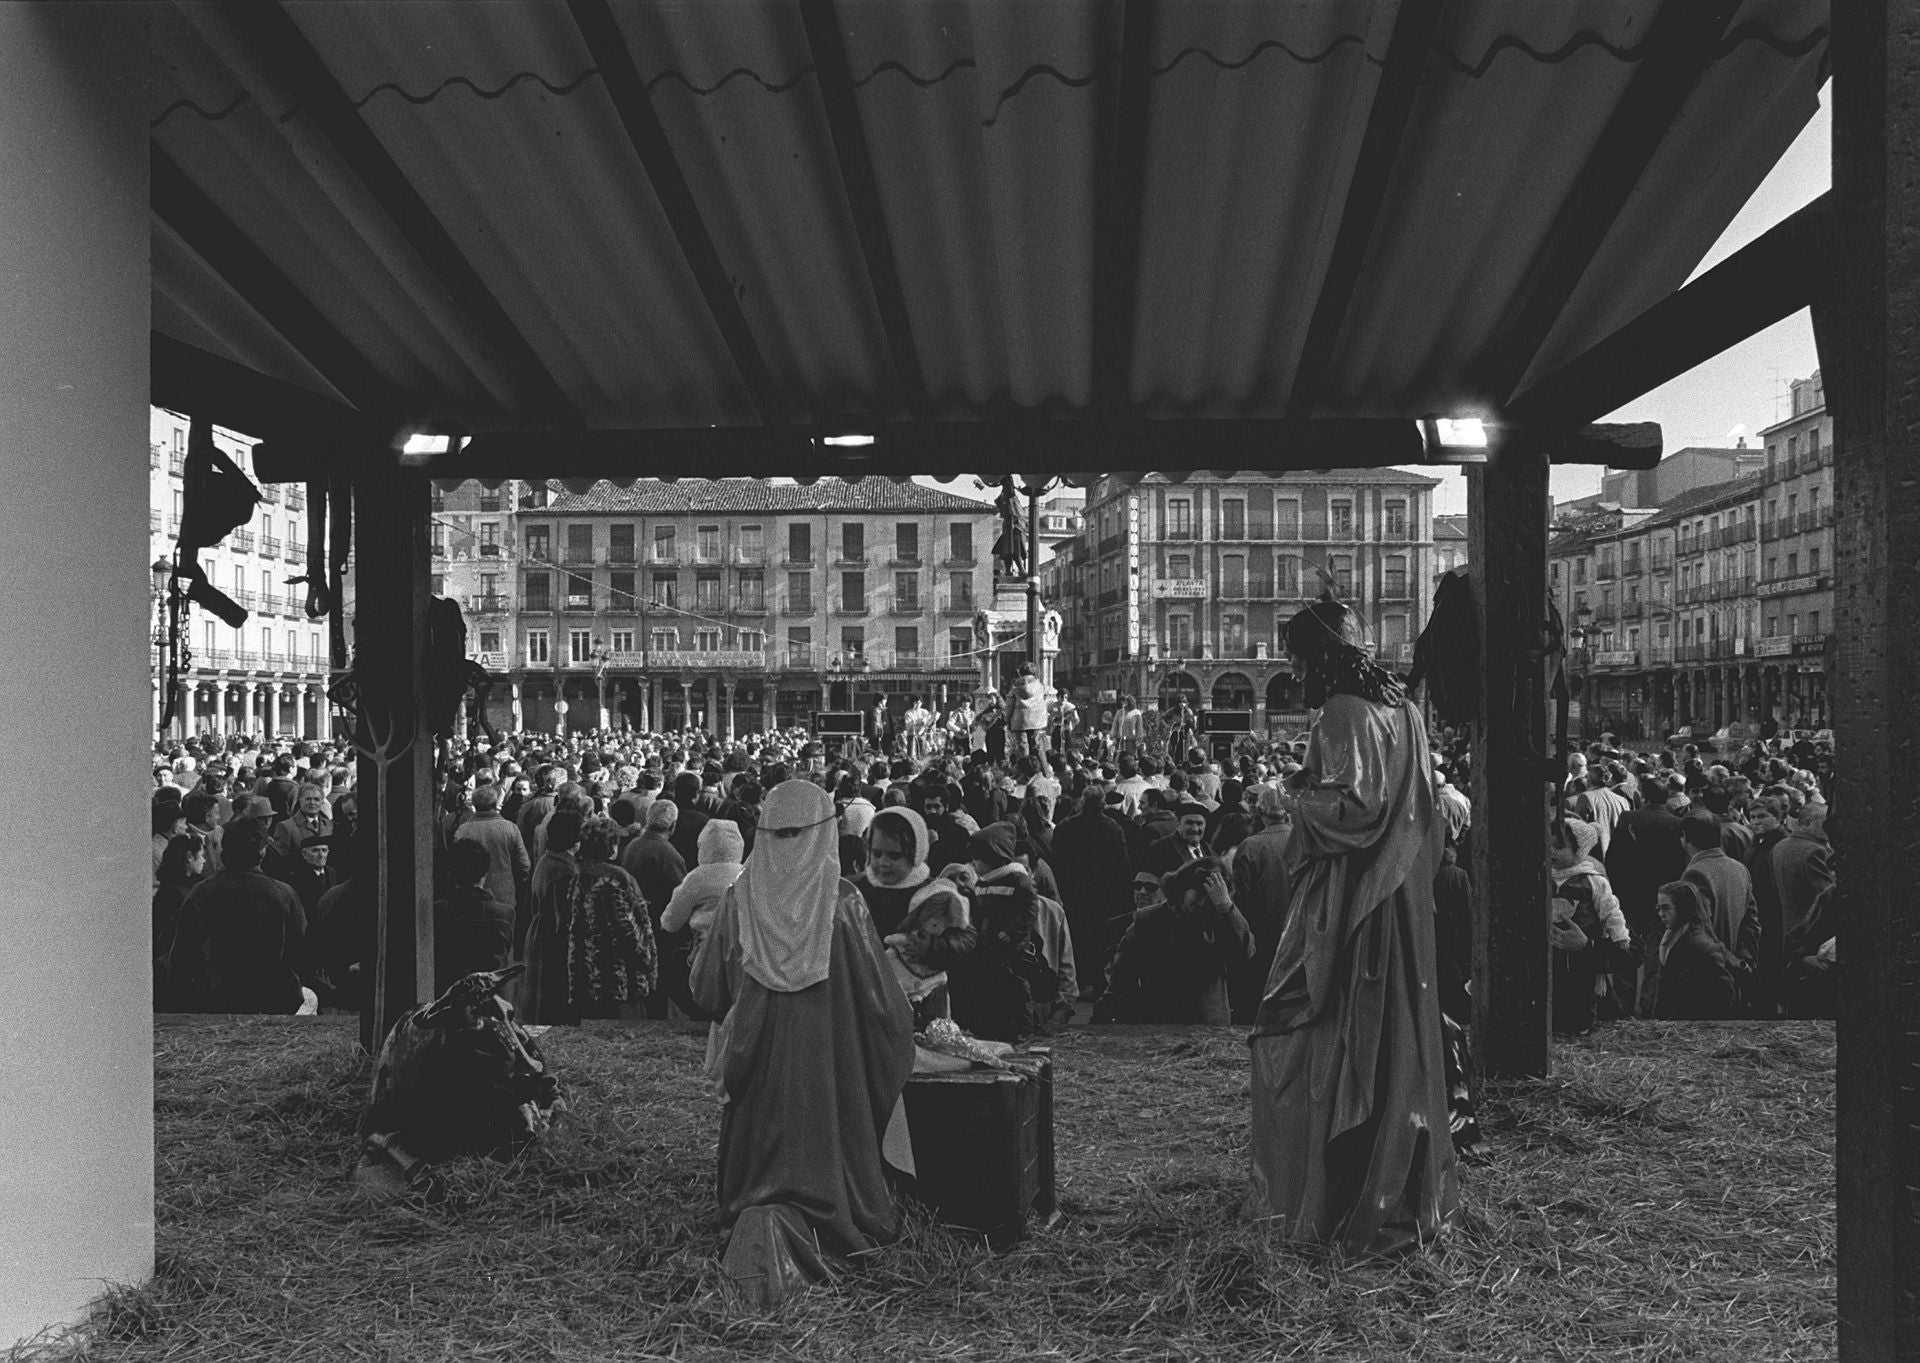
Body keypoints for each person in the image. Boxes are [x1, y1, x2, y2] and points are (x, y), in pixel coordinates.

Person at [1247, 599, 1458, 1257]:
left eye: (1296, 657)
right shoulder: (1408, 713)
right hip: (1398, 903)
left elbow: (1356, 808)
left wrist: (1293, 798)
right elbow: (1423, 810)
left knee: (1325, 1030)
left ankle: (1329, 1198)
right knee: (1395, 1042)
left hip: (1352, 903)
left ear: (1319, 657)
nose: (1291, 668)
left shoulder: (1341, 711)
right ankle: (1394, 1187)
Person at [689, 780, 915, 1308]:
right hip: (830, 1078)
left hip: (758, 1073)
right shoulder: (844, 905)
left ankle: (755, 1211)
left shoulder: (736, 901)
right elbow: (882, 1009)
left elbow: (706, 992)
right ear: (826, 834)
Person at [1094, 857, 1252, 1023]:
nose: (1203, 901)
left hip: (1208, 1023)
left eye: (1209, 896)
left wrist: (1227, 908)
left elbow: (1245, 951)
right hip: (1160, 1019)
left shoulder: (1220, 918)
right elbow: (1122, 972)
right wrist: (1111, 1005)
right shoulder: (1149, 920)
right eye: (1198, 892)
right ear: (1182, 889)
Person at [566, 817, 658, 1019]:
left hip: (589, 975)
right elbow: (627, 929)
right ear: (610, 845)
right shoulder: (616, 879)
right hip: (620, 977)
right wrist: (646, 960)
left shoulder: (579, 877)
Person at [1651, 879, 1743, 1020]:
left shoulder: (1700, 946)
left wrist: (1699, 1022)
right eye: (1658, 908)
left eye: (1666, 908)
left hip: (1692, 1030)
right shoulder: (1670, 939)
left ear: (1682, 908)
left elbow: (1724, 995)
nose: (1661, 914)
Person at [433, 837, 516, 989]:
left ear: (450, 873)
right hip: (490, 999)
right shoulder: (504, 914)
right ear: (485, 872)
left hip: (448, 997)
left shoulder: (437, 912)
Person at [1007, 663, 1048, 759]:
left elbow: (1009, 706)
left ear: (1020, 672)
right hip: (1037, 721)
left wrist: (1007, 719)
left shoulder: (1015, 687)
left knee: (1022, 750)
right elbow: (1043, 702)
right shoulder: (1040, 687)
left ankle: (1026, 772)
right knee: (1038, 749)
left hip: (1019, 722)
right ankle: (1045, 773)